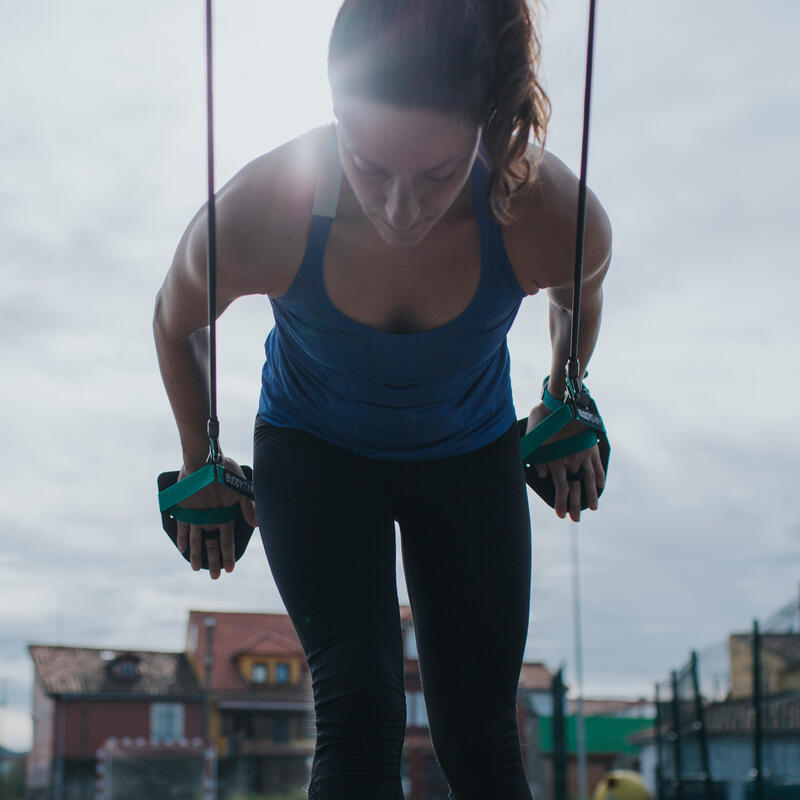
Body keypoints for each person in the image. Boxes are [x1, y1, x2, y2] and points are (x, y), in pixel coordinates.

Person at [153, 0, 611, 796]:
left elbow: (580, 292)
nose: (401, 209)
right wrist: (201, 457)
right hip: (314, 453)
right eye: (369, 167)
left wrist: (563, 393)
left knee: (480, 734)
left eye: (436, 175)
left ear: (486, 128)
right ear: (336, 115)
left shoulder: (549, 214)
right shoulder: (266, 209)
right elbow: (174, 322)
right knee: (361, 709)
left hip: (469, 454)